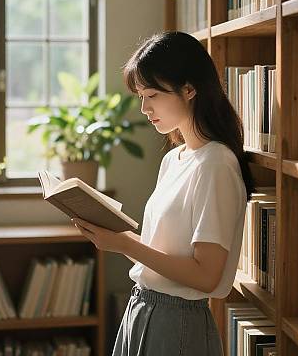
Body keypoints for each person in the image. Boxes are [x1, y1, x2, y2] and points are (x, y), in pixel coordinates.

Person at [72, 31, 254, 355]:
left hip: (177, 322)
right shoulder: (175, 159)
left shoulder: (216, 165)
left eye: (152, 95)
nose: (144, 108)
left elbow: (206, 276)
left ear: (189, 89)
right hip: (143, 309)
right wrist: (115, 238)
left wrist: (124, 242)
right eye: (141, 95)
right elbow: (163, 257)